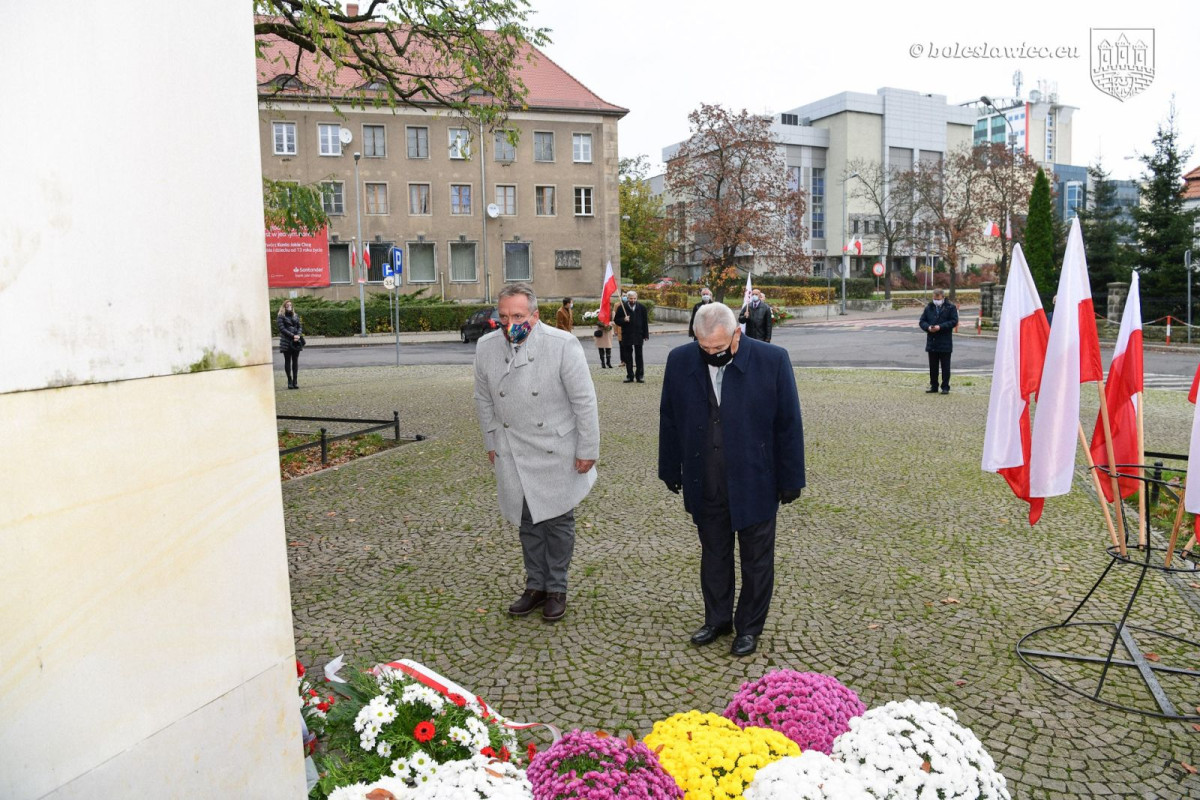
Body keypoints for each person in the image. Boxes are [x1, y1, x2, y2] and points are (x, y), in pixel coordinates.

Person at [658, 302, 805, 657]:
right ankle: (718, 619)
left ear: (737, 333)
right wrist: (670, 467)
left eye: (719, 347)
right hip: (705, 479)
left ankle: (749, 627)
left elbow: (788, 422)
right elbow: (669, 417)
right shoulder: (679, 361)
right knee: (714, 556)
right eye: (705, 347)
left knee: (756, 560)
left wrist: (791, 477)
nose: (712, 354)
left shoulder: (773, 360)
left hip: (756, 481)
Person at [473, 283, 599, 622]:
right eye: (503, 316)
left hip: (555, 448)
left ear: (535, 314)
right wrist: (491, 443)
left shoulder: (562, 344)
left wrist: (588, 449)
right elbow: (483, 399)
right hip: (512, 447)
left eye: (517, 316)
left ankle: (557, 588)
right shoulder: (486, 347)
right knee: (526, 519)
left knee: (557, 520)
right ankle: (535, 585)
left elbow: (584, 401)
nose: (509, 323)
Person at [919, 288, 958, 394]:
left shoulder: (950, 307)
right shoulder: (929, 307)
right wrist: (928, 327)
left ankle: (945, 387)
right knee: (933, 366)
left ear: (943, 297)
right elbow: (922, 321)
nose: (936, 300)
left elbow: (954, 321)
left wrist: (940, 327)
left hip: (945, 341)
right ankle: (934, 386)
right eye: (934, 298)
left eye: (938, 298)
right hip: (932, 341)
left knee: (945, 366)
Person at [614, 290, 649, 383]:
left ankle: (639, 376)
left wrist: (646, 334)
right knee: (628, 356)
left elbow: (645, 322)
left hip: (639, 334)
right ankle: (630, 376)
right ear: (627, 298)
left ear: (637, 298)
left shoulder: (642, 307)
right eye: (631, 299)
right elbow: (616, 320)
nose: (633, 300)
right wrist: (623, 319)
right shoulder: (622, 307)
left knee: (639, 356)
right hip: (627, 335)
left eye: (634, 298)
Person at [278, 300, 304, 389]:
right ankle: (289, 381)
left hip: (296, 342)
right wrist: (293, 335)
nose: (289, 306)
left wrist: (298, 335)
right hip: (286, 341)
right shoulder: (281, 316)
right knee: (287, 361)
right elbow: (282, 329)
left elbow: (300, 326)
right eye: (287, 305)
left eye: (290, 305)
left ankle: (295, 381)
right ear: (284, 306)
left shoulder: (295, 315)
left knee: (295, 361)